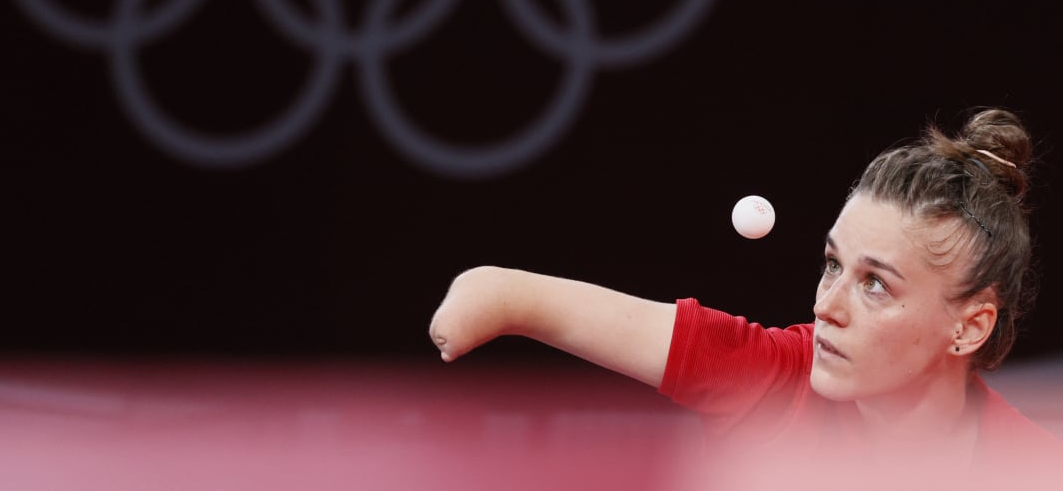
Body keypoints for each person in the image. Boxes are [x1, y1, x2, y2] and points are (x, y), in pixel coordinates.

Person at [428, 107, 1063, 490]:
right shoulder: (776, 379)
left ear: (969, 327)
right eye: (831, 265)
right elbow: (512, 294)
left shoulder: (1031, 470)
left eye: (875, 285)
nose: (827, 306)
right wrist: (488, 293)